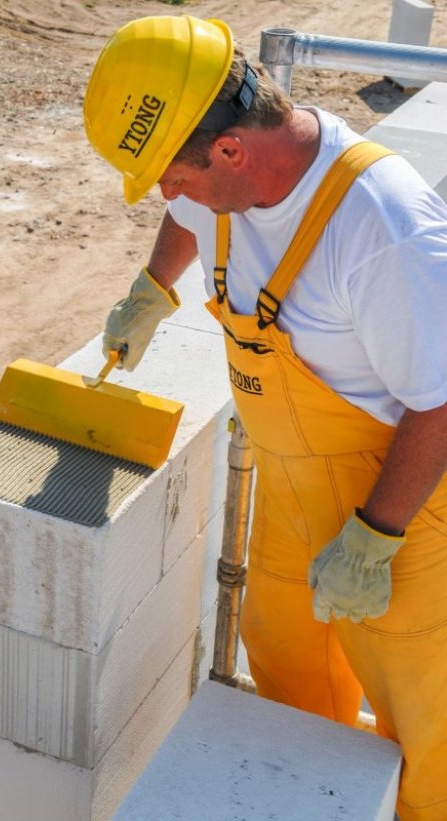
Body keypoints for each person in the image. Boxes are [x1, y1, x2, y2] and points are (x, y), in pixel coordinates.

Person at [83, 15, 447, 820]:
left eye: (172, 175)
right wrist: (153, 290)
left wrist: (376, 535)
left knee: (427, 737)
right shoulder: (226, 183)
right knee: (288, 675)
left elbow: (442, 399)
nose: (168, 197)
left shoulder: (380, 227)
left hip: (402, 519)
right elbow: (185, 218)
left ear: (231, 149)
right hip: (292, 495)